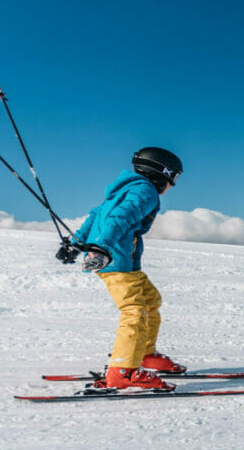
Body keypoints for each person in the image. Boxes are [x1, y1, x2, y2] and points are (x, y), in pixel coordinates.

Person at [57, 147, 185, 390]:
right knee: (134, 311)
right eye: (173, 178)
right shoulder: (146, 191)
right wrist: (101, 247)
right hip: (116, 261)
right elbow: (120, 218)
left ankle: (145, 354)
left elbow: (96, 217)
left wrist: (76, 245)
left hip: (119, 260)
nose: (173, 185)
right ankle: (123, 371)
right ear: (161, 173)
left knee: (150, 300)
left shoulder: (123, 190)